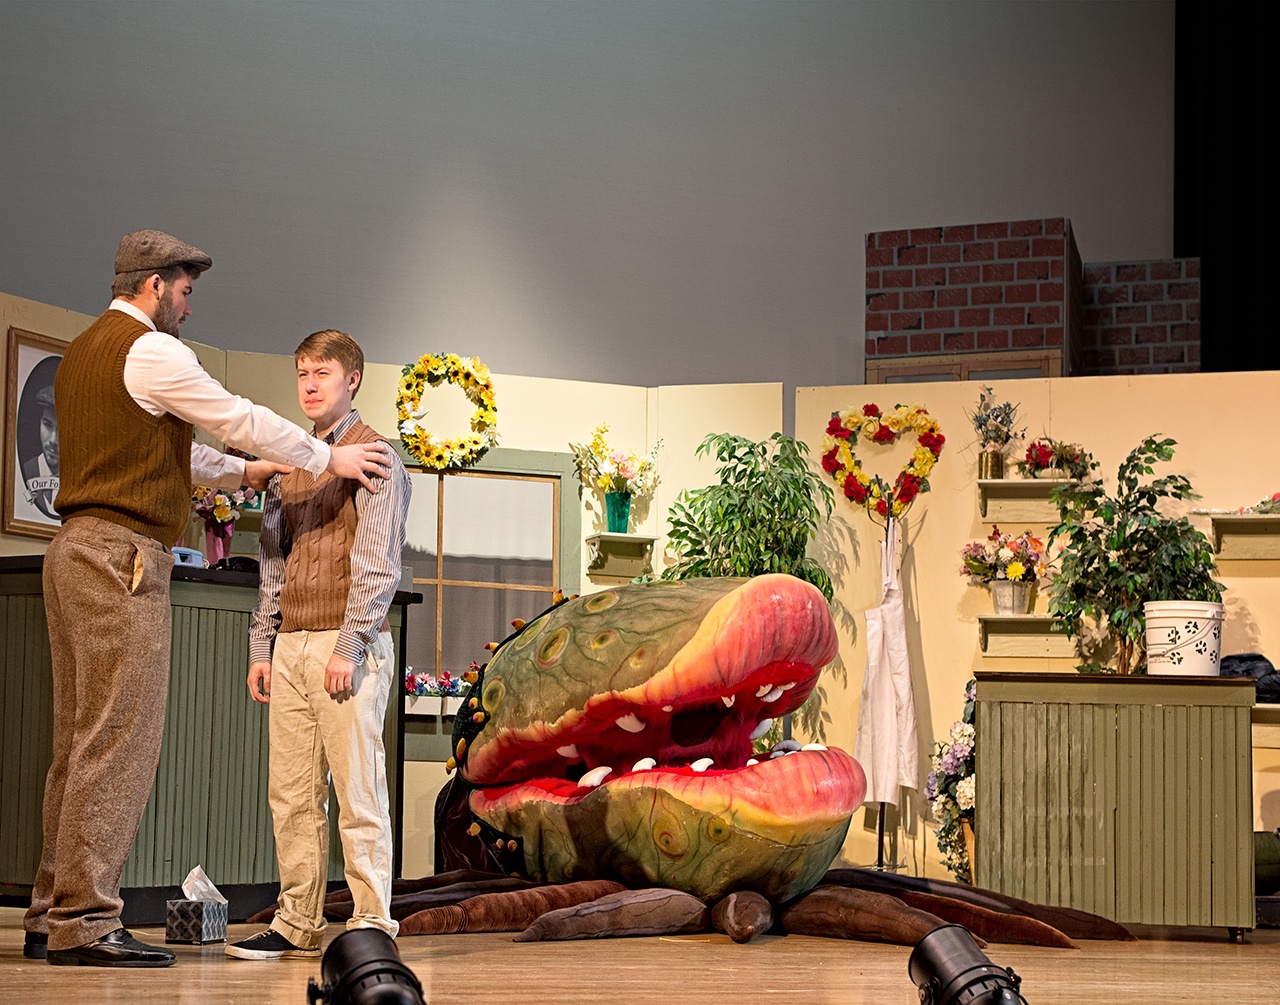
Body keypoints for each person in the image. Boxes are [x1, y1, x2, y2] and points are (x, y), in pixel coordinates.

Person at [24, 231, 393, 968]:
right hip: (121, 558)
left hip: (72, 552)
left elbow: (171, 451)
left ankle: (52, 910)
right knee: (116, 741)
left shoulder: (83, 354)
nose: (189, 308)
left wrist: (241, 471)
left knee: (76, 742)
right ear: (156, 285)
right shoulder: (153, 349)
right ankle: (87, 920)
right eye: (186, 292)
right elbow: (236, 413)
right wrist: (326, 455)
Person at [227, 329, 410, 960]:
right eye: (302, 372)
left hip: (343, 643)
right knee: (292, 793)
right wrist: (261, 647)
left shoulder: (376, 454)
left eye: (322, 373)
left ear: (351, 379)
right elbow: (273, 562)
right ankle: (295, 921)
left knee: (358, 790)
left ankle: (371, 924)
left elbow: (378, 565)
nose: (309, 384)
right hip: (292, 645)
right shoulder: (290, 463)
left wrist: (351, 644)